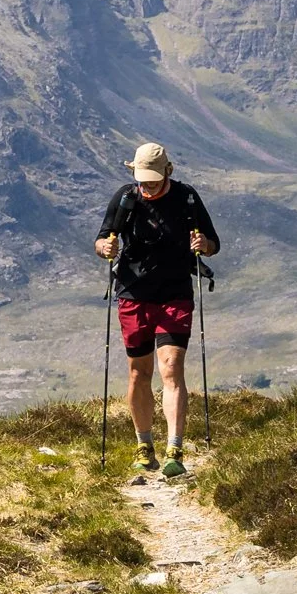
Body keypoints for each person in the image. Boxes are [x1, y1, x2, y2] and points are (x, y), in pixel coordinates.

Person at [95, 142, 221, 477]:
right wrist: (105, 246)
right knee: (139, 371)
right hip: (134, 294)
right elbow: (101, 239)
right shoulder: (126, 198)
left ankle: (174, 449)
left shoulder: (187, 198)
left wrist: (203, 246)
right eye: (142, 179)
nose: (147, 185)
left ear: (167, 172)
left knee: (171, 366)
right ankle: (144, 445)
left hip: (175, 293)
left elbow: (213, 244)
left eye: (153, 179)